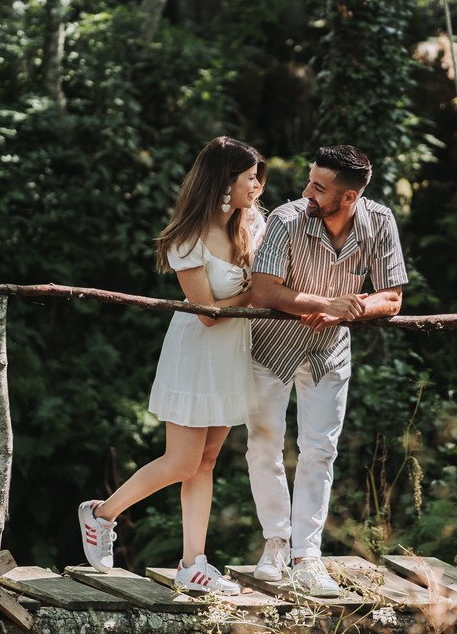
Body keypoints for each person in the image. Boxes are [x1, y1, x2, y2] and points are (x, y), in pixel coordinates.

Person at [78, 136, 266, 596]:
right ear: (224, 181)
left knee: (206, 462)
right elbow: (207, 313)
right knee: (182, 461)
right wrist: (259, 294)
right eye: (249, 178)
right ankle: (101, 514)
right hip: (196, 353)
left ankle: (192, 564)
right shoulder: (187, 238)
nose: (257, 186)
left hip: (232, 354)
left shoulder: (253, 225)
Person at [244, 145, 407, 597]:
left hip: (330, 353)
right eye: (309, 181)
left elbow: (392, 297)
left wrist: (350, 311)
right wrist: (326, 305)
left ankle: (307, 556)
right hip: (271, 347)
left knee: (320, 451)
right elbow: (262, 290)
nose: (306, 192)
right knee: (264, 447)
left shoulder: (380, 222)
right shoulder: (286, 219)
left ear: (349, 196)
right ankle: (276, 542)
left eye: (318, 187)